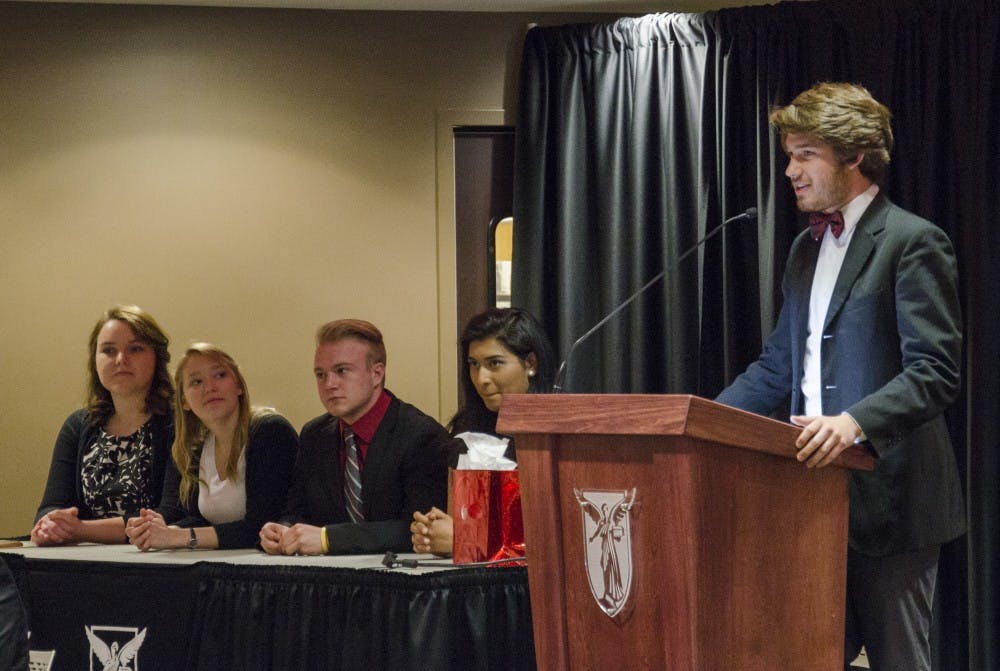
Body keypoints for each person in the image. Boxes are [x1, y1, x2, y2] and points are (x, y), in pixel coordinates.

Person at [714, 82, 964, 671]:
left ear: (854, 156)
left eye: (806, 154)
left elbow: (934, 370)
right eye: (789, 155)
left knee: (898, 661)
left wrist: (853, 423)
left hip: (893, 503)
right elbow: (779, 366)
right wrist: (703, 423)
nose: (790, 171)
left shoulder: (913, 241)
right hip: (808, 498)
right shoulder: (804, 249)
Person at [259, 319, 450, 555]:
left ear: (377, 373)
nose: (329, 384)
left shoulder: (422, 436)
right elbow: (297, 510)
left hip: (401, 574)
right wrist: (283, 530)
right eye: (320, 374)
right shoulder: (314, 435)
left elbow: (419, 529)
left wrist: (329, 539)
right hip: (326, 574)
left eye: (342, 371)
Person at [410, 307, 555, 556]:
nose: (481, 378)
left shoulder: (564, 434)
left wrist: (465, 539)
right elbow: (456, 524)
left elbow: (564, 537)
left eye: (494, 363)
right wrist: (431, 532)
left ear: (530, 363)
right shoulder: (465, 433)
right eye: (474, 364)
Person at [126, 343, 298, 550]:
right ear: (184, 401)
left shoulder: (270, 431)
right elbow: (199, 520)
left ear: (238, 386)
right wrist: (156, 530)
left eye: (220, 375)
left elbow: (261, 527)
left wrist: (180, 537)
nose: (210, 388)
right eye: (196, 382)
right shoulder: (194, 446)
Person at [31, 305, 175, 545]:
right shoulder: (78, 425)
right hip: (85, 559)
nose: (121, 360)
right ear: (94, 360)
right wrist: (50, 526)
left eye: (135, 349)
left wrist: (81, 530)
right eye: (108, 350)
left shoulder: (178, 424)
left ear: (157, 357)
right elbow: (51, 506)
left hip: (155, 558)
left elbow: (170, 513)